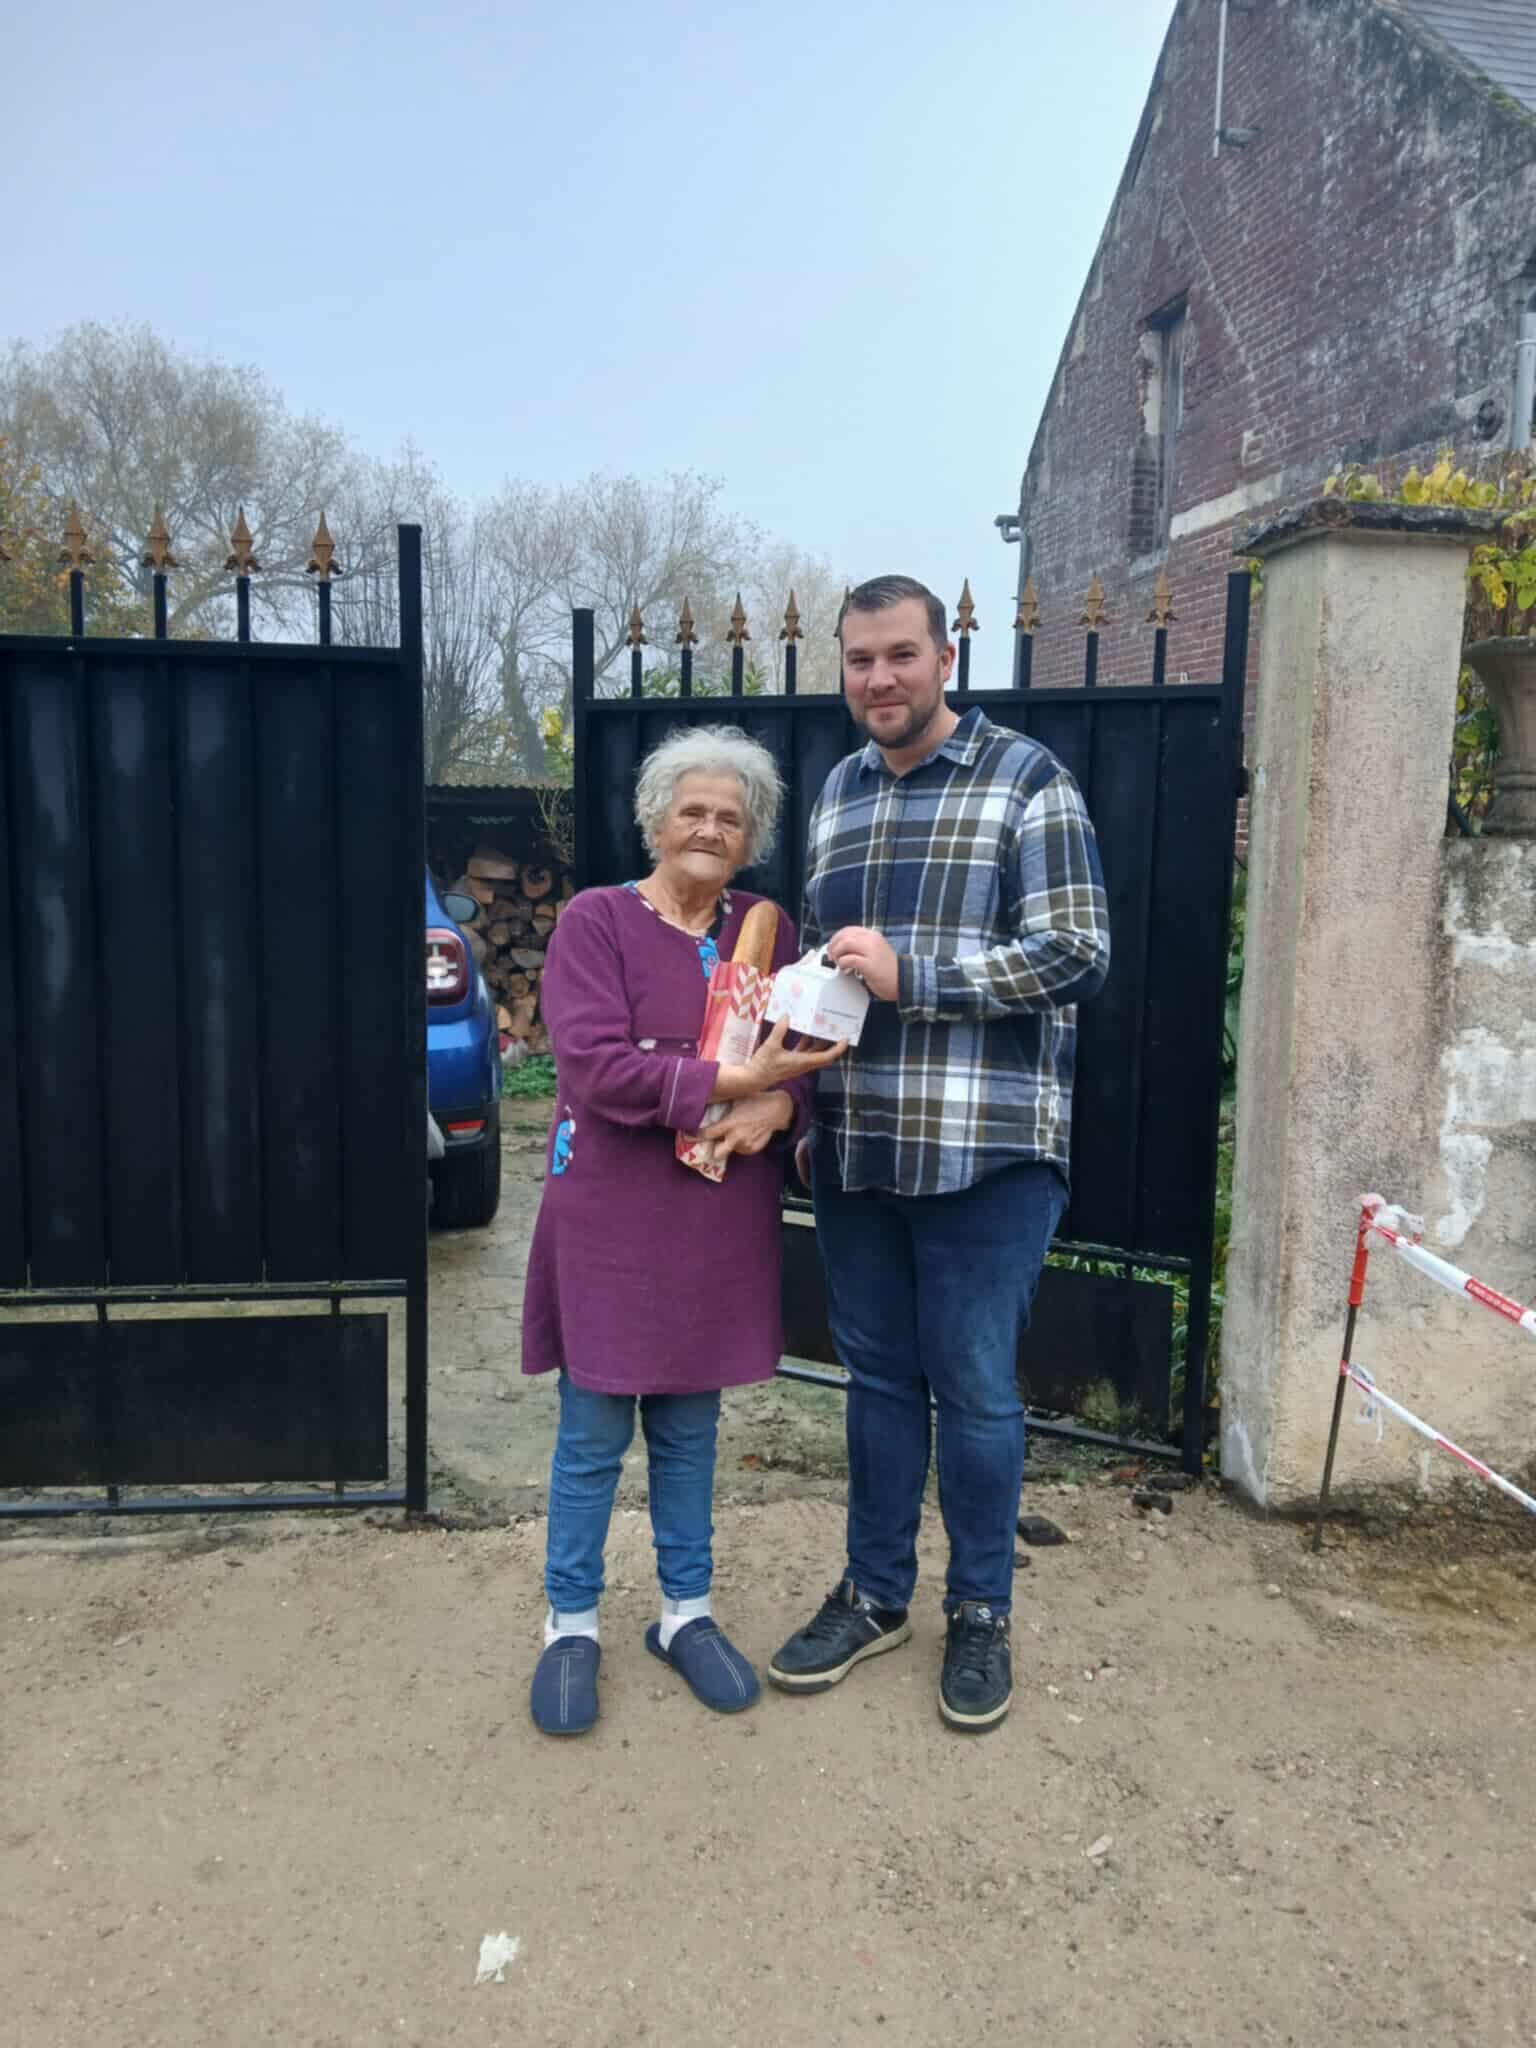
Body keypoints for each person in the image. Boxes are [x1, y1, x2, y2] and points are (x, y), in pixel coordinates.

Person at [766, 575, 1110, 1733]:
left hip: (987, 1151)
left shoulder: (1028, 780)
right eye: (860, 659)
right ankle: (874, 1594)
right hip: (859, 1145)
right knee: (876, 1383)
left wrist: (918, 975)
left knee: (972, 1387)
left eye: (900, 654)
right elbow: (830, 970)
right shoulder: (838, 792)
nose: (879, 678)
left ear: (945, 657)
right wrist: (797, 1097)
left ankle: (980, 1607)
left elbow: (1078, 953)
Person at [521, 725, 843, 1736]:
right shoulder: (597, 921)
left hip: (715, 1212)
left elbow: (809, 1056)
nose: (709, 829)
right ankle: (571, 1620)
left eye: (729, 817)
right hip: (611, 1210)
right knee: (592, 1432)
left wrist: (780, 1105)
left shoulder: (768, 930)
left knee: (691, 1431)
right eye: (691, 811)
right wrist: (732, 1079)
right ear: (655, 822)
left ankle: (684, 1612)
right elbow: (595, 1067)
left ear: (751, 837)